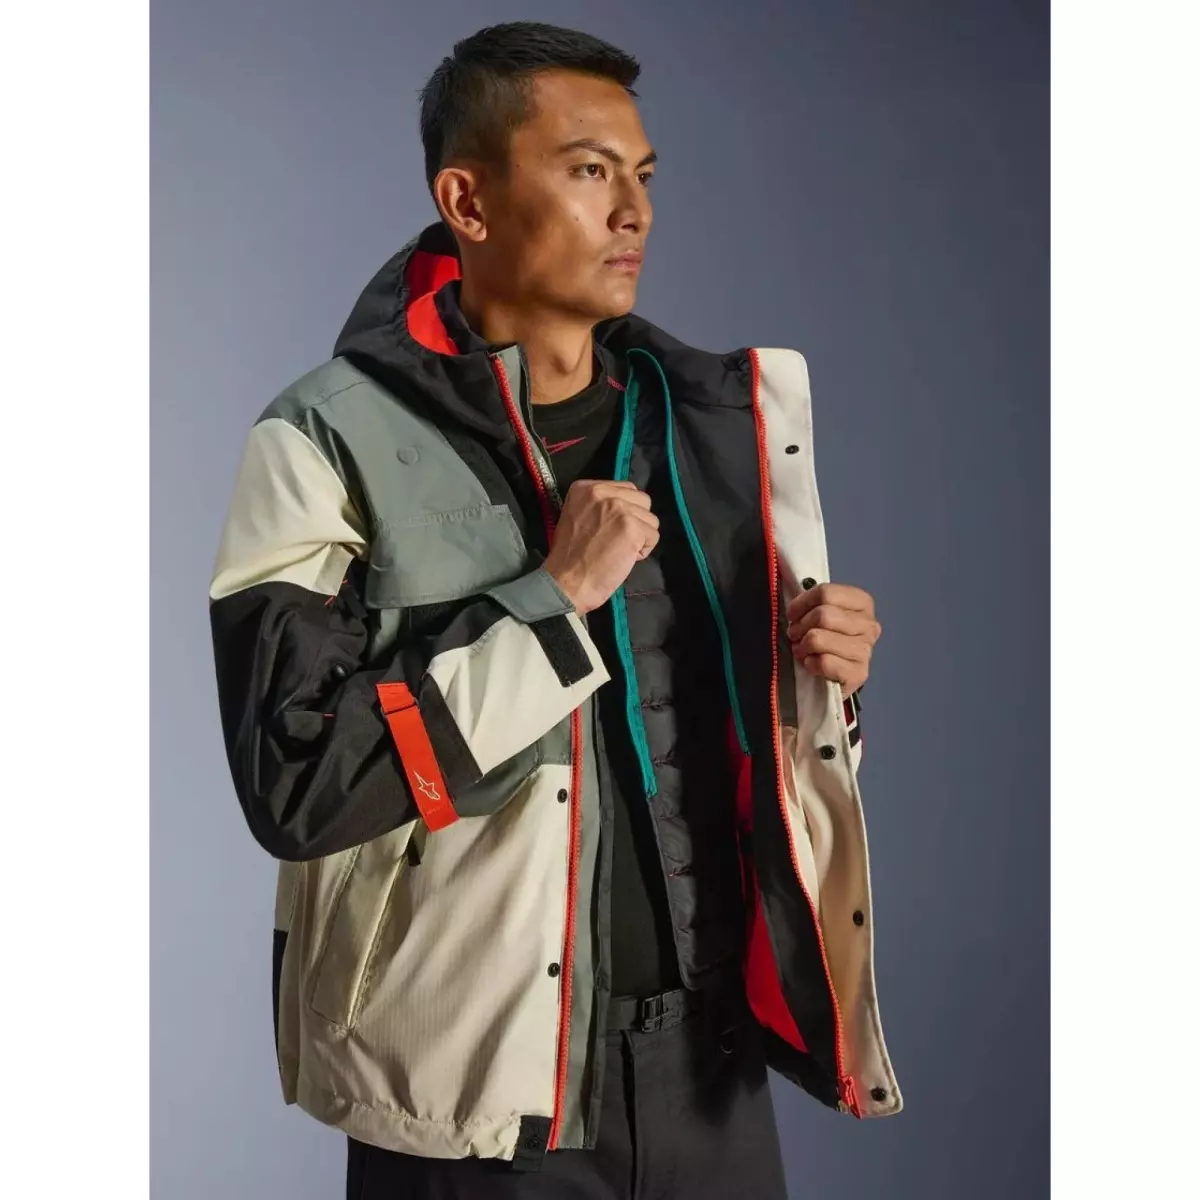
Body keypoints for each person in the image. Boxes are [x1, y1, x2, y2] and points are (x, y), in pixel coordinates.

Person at [209, 21, 901, 1200]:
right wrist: (554, 600)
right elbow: (301, 781)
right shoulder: (324, 439)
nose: (634, 212)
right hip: (474, 1108)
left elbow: (708, 751)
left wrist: (822, 691)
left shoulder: (707, 428)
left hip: (714, 1080)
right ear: (467, 202)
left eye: (644, 176)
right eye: (589, 171)